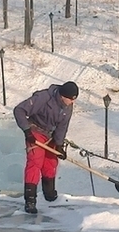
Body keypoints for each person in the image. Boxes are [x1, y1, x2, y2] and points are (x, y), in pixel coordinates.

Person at [13, 81, 79, 214]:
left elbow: (62, 127)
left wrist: (59, 146)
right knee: (35, 162)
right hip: (35, 131)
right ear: (62, 96)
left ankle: (49, 195)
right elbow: (19, 110)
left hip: (51, 135)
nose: (71, 103)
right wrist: (27, 131)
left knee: (51, 162)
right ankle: (30, 200)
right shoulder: (43, 98)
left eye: (74, 100)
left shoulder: (68, 106)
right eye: (70, 99)